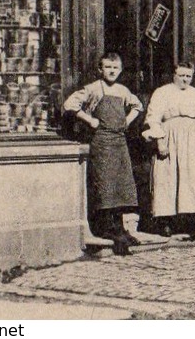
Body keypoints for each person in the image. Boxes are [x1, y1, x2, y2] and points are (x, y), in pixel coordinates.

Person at [64, 53, 143, 255]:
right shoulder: (93, 88)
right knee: (106, 185)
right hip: (101, 142)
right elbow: (70, 104)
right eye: (107, 67)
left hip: (119, 141)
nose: (111, 71)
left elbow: (137, 106)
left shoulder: (123, 90)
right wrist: (89, 120)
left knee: (121, 186)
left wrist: (127, 120)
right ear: (100, 69)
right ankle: (108, 229)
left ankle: (121, 229)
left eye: (115, 68)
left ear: (121, 70)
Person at [142, 62, 195, 238]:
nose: (185, 79)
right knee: (168, 178)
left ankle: (190, 221)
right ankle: (166, 222)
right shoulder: (162, 92)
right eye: (181, 75)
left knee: (193, 179)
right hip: (171, 138)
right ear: (174, 75)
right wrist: (160, 142)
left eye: (188, 76)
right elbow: (154, 119)